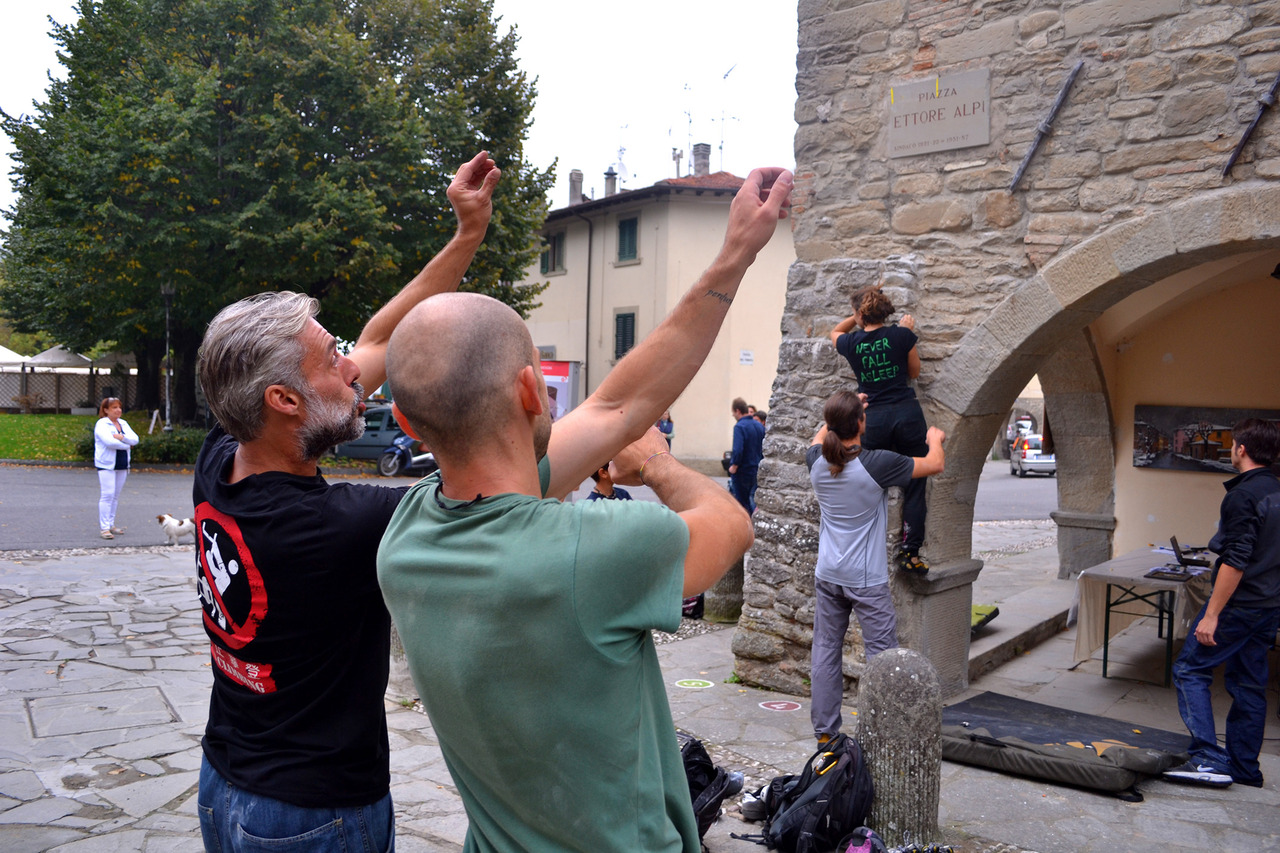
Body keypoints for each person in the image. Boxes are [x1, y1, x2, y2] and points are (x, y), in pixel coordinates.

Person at [377, 166, 793, 852]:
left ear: (405, 419)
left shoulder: (406, 534)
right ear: (531, 393)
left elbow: (616, 405)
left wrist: (734, 255)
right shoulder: (590, 551)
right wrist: (656, 463)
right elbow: (728, 524)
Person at [191, 150, 500, 851]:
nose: (353, 365)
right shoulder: (341, 527)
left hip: (224, 783)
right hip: (312, 818)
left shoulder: (220, 456)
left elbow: (384, 336)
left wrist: (466, 236)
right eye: (331, 357)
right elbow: (504, 478)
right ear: (283, 399)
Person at [806, 389, 945, 744]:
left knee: (824, 649)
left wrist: (842, 412)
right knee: (882, 656)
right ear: (862, 424)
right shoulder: (877, 463)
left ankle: (825, 734)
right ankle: (883, 734)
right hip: (865, 579)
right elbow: (934, 464)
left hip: (828, 574)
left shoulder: (815, 462)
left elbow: (818, 437)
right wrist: (934, 438)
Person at [1164, 418, 1280, 789]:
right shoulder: (1276, 491)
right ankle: (1245, 769)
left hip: (1240, 606)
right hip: (1267, 607)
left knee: (1188, 670)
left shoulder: (1244, 495)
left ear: (1241, 450)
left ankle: (1209, 758)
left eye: (1232, 445)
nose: (1231, 450)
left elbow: (1235, 560)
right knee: (1249, 684)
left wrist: (1211, 614)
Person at [829, 285, 930, 573]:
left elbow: (835, 332)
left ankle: (861, 546)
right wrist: (905, 331)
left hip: (873, 419)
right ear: (885, 311)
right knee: (915, 480)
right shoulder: (901, 335)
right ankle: (910, 552)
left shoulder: (852, 343)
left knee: (866, 480)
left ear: (861, 314)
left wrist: (855, 318)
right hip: (907, 415)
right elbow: (914, 372)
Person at [93, 396, 139, 539]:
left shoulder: (123, 423)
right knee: (107, 495)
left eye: (119, 407)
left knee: (115, 496)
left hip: (122, 463)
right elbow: (109, 442)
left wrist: (121, 437)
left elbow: (135, 439)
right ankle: (104, 528)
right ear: (106, 410)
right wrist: (127, 444)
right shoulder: (102, 424)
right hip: (106, 464)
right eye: (114, 407)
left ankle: (111, 524)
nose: (118, 410)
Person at [729, 397, 766, 514]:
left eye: (733, 413)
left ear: (738, 411)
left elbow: (738, 449)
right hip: (757, 468)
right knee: (754, 501)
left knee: (742, 505)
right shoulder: (759, 426)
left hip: (743, 471)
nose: (734, 416)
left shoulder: (740, 427)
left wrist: (734, 465)